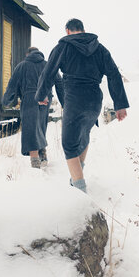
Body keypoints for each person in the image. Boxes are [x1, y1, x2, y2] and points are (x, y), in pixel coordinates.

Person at [35, 19, 129, 193]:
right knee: (83, 135)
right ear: (83, 30)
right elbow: (114, 74)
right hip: (94, 100)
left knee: (69, 144)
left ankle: (79, 190)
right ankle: (76, 179)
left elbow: (49, 72)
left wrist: (41, 95)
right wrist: (120, 105)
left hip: (74, 98)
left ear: (67, 31)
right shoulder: (99, 49)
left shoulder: (63, 46)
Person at [2, 47, 65, 168]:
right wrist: (64, 102)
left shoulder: (22, 66)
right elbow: (59, 82)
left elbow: (12, 85)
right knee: (41, 125)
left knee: (30, 128)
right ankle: (43, 154)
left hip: (30, 98)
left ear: (27, 54)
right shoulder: (48, 65)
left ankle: (35, 160)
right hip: (46, 98)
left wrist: (6, 101)